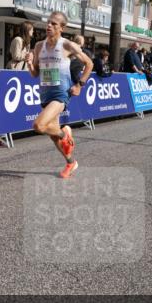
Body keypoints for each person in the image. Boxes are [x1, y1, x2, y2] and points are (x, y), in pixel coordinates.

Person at [27, 12, 92, 179]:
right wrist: (29, 64)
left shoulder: (67, 45)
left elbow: (89, 63)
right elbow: (35, 74)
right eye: (48, 22)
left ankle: (65, 134)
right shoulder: (39, 46)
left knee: (39, 126)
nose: (49, 25)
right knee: (54, 137)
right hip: (45, 93)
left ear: (62, 28)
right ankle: (71, 162)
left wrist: (79, 85)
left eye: (54, 24)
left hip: (61, 93)